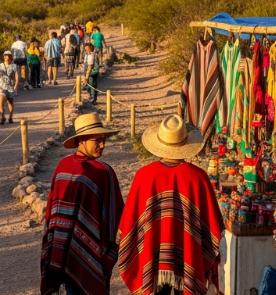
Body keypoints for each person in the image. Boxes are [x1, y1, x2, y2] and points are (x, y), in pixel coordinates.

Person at [118, 115, 224, 295]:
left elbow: (130, 223)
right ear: (185, 143)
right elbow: (212, 226)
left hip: (154, 251)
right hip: (188, 253)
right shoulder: (198, 177)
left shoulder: (144, 176)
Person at [40, 113, 124, 295]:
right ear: (82, 140)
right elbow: (116, 218)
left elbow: (51, 216)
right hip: (91, 255)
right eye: (97, 140)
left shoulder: (62, 166)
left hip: (61, 250)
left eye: (104, 139)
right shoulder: (103, 172)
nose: (102, 145)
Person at [0, 50, 19, 125]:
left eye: (7, 55)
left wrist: (16, 86)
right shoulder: (0, 65)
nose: (6, 57)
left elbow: (17, 77)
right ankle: (3, 116)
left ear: (10, 57)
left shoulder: (14, 66)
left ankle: (10, 117)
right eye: (5, 55)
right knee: (0, 103)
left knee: (10, 102)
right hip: (1, 85)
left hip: (10, 85)